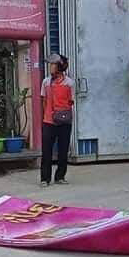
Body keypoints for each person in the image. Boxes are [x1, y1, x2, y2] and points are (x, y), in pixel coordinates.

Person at [40, 53, 75, 187]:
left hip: (65, 122)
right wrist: (48, 114)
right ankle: (45, 178)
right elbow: (44, 100)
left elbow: (71, 101)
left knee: (63, 150)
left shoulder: (69, 83)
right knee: (46, 151)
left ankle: (60, 176)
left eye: (53, 65)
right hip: (49, 122)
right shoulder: (46, 82)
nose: (51, 67)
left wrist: (62, 113)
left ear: (60, 66)